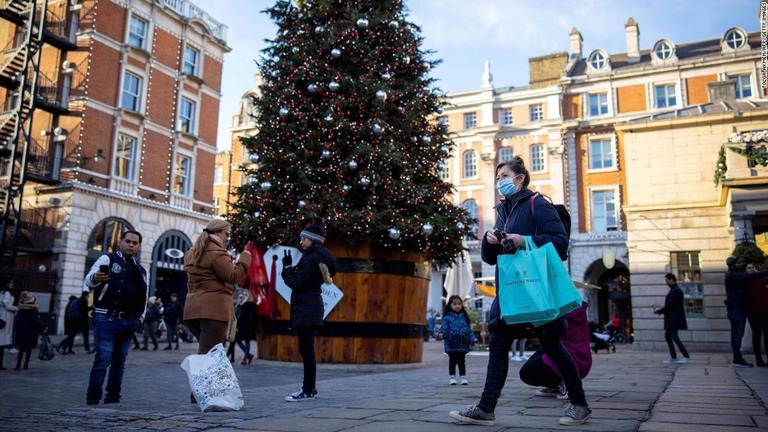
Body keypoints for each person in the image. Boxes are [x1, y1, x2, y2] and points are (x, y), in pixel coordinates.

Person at [449, 157, 591, 427]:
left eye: (504, 175)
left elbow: (561, 244)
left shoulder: (539, 204)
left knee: (553, 347)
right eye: (497, 176)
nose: (499, 181)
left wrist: (524, 240)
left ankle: (580, 404)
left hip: (536, 292)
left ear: (520, 178)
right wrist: (490, 241)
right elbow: (492, 260)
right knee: (499, 346)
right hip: (510, 292)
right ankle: (485, 408)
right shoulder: (502, 211)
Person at [183, 218, 250, 402]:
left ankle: (210, 392)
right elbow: (233, 276)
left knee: (212, 351)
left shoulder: (192, 253)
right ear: (218, 232)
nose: (228, 238)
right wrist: (245, 258)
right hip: (213, 310)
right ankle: (199, 394)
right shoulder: (217, 253)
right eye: (226, 234)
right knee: (208, 352)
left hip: (192, 310)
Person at [84, 230, 148, 405]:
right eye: (128, 241)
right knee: (103, 358)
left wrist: (139, 320)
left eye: (135, 243)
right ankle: (93, 396)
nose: (131, 245)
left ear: (139, 246)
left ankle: (113, 396)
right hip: (106, 318)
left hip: (129, 321)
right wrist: (95, 278)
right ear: (120, 242)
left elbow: (144, 296)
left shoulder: (140, 270)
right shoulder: (107, 259)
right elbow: (88, 280)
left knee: (120, 361)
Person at [282, 217, 336, 402]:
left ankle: (308, 389)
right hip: (309, 306)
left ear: (312, 240)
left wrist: (287, 268)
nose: (301, 242)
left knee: (307, 350)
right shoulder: (315, 257)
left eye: (304, 238)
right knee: (307, 349)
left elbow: (296, 283)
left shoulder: (312, 259)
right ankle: (309, 388)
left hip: (307, 307)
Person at [523, 302, 592, 400]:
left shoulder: (557, 310)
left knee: (527, 373)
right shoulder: (578, 308)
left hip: (569, 360)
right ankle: (559, 384)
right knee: (540, 354)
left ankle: (567, 382)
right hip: (583, 361)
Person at [724, 256, 768, 368]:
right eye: (738, 262)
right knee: (737, 334)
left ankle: (738, 358)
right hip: (736, 309)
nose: (741, 264)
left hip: (738, 308)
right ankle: (737, 359)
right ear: (733, 264)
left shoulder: (735, 275)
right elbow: (752, 277)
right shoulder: (734, 275)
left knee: (738, 334)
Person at [437, 295, 477, 385]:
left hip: (462, 344)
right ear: (450, 305)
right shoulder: (447, 318)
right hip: (452, 343)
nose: (457, 306)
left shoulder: (464, 317)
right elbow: (444, 328)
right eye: (454, 304)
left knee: (462, 361)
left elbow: (469, 331)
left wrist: (473, 340)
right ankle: (452, 377)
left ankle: (463, 377)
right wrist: (441, 334)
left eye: (459, 304)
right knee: (452, 361)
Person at [653, 273, 691, 364]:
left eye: (667, 281)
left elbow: (670, 306)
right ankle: (674, 357)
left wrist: (658, 311)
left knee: (674, 336)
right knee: (669, 336)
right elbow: (670, 305)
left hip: (674, 318)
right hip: (672, 318)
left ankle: (686, 356)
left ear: (671, 280)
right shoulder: (674, 290)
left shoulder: (675, 291)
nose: (666, 283)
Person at [13, 291, 46, 370]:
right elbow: (36, 320)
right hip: (31, 331)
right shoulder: (33, 309)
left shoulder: (21, 309)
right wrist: (43, 327)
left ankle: (18, 365)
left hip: (21, 331)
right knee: (28, 349)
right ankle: (26, 364)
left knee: (21, 349)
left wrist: (18, 329)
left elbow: (17, 320)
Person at [745, 263, 768, 367]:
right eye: (749, 268)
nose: (752, 269)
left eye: (753, 267)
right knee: (757, 334)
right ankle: (758, 358)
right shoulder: (746, 280)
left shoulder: (761, 278)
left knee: (766, 334)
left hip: (764, 310)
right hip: (753, 312)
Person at [58, 290, 92, 354]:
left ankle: (64, 347)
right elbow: (84, 311)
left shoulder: (78, 300)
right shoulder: (83, 301)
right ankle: (87, 350)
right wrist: (91, 308)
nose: (89, 296)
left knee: (72, 335)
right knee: (84, 335)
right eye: (88, 295)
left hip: (76, 321)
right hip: (82, 322)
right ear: (86, 296)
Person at [236, 289, 258, 365]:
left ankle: (246, 357)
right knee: (244, 341)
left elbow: (241, 316)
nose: (244, 295)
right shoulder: (247, 304)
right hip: (247, 326)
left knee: (241, 341)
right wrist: (239, 303)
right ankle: (248, 355)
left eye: (245, 294)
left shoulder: (247, 305)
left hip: (245, 326)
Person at [0, 278, 18, 370]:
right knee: (2, 342)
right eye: (11, 282)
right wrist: (15, 308)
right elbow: (6, 304)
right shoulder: (6, 293)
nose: (12, 284)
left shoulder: (2, 292)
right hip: (5, 317)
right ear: (7, 284)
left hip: (3, 316)